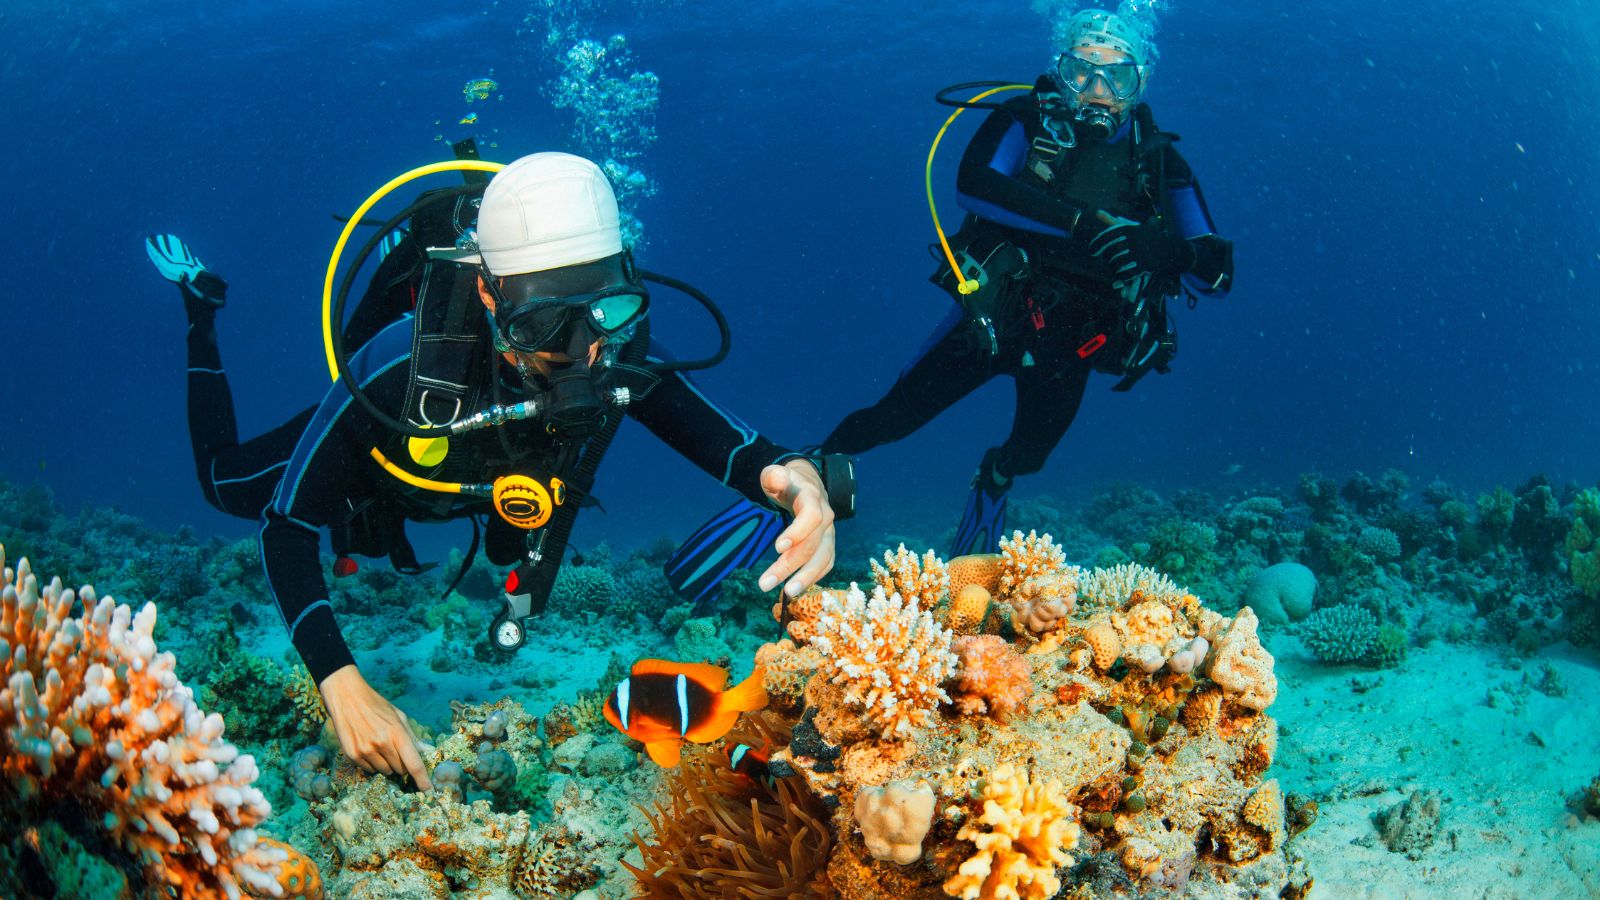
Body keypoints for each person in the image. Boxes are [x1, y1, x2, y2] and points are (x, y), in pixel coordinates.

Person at [146, 152, 843, 789]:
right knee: (225, 486)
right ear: (489, 296)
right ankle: (199, 312)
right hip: (382, 471)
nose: (582, 354)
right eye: (543, 325)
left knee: (520, 538)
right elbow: (286, 526)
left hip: (499, 490)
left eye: (605, 311)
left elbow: (748, 454)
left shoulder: (620, 355)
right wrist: (338, 679)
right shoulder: (396, 368)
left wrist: (800, 481)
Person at [824, 7, 1234, 557]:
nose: (1097, 89)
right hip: (994, 315)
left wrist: (1165, 249)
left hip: (1076, 343)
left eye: (1117, 75)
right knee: (889, 419)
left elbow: (1218, 275)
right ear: (1059, 72)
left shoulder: (1160, 164)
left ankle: (993, 478)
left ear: (1140, 83)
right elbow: (972, 184)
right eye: (1081, 71)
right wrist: (1080, 224)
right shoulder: (1026, 119)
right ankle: (801, 473)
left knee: (1029, 455)